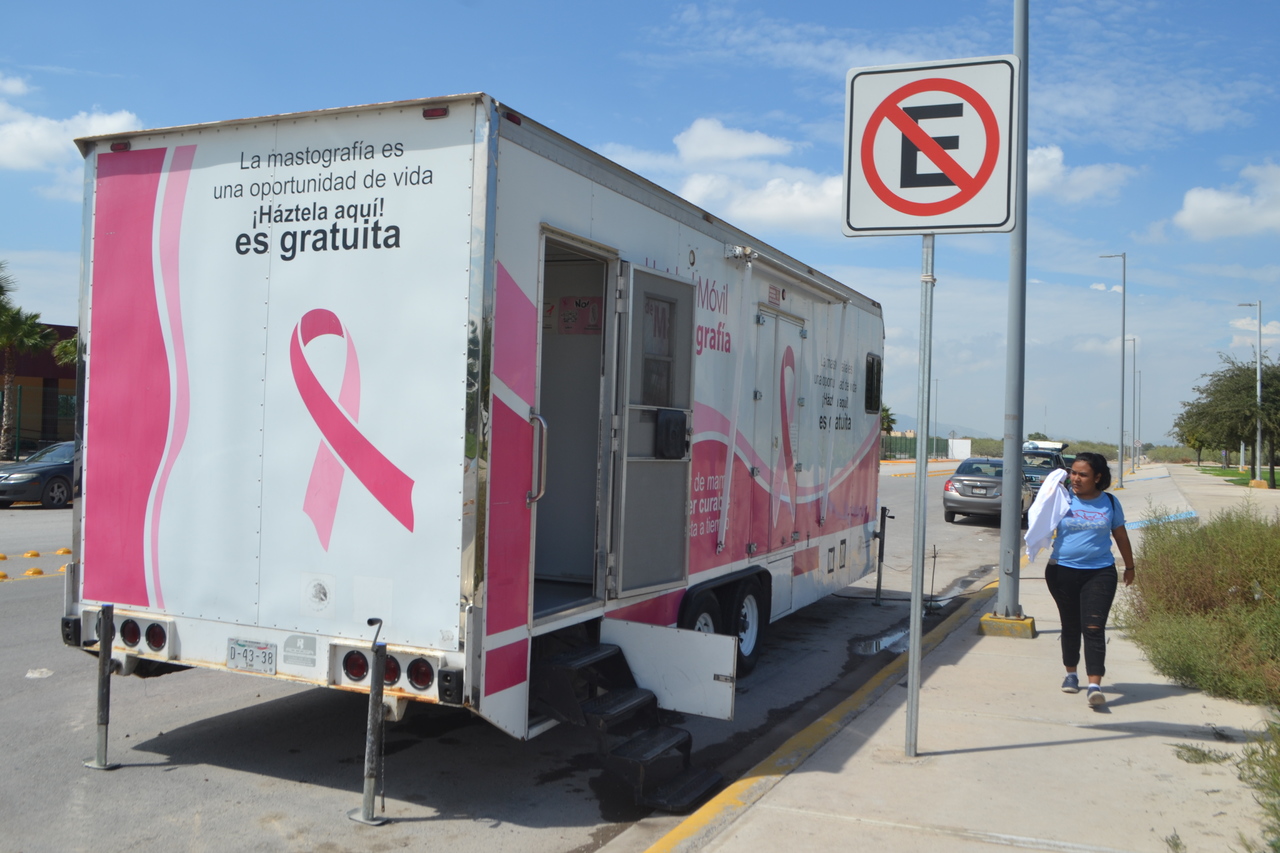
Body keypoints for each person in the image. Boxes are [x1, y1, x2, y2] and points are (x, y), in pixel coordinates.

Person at [1044, 452, 1135, 707]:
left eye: (1082, 475)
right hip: (1062, 571)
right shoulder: (1062, 498)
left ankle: (1094, 685)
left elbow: (1121, 536)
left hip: (1100, 572)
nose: (1075, 478)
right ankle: (1071, 674)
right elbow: (1038, 519)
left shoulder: (1110, 502)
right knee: (1070, 625)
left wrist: (1129, 566)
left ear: (1097, 477)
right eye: (1073, 473)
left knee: (1094, 627)